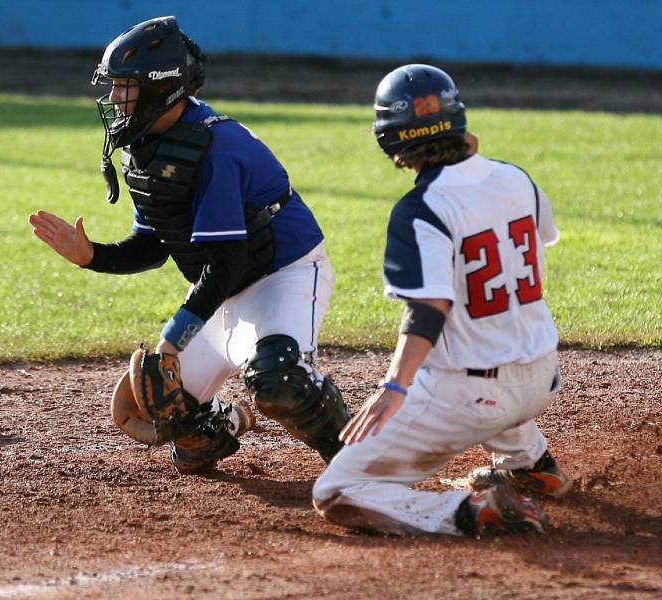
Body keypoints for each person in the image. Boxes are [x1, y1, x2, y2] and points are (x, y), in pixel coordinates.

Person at [29, 16, 350, 474]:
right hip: (224, 289)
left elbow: (226, 261)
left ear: (161, 88)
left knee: (279, 383)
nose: (115, 98)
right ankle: (227, 422)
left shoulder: (218, 146)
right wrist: (94, 256)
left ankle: (359, 462)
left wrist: (171, 342)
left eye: (126, 87)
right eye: (115, 86)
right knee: (153, 411)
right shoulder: (148, 144)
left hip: (284, 277)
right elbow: (153, 244)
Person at [312, 64, 571, 537]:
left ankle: (475, 512)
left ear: (389, 139)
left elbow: (430, 310)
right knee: (482, 343)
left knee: (336, 490)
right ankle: (531, 465)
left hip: (473, 399)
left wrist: (394, 387)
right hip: (542, 374)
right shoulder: (518, 178)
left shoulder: (422, 209)